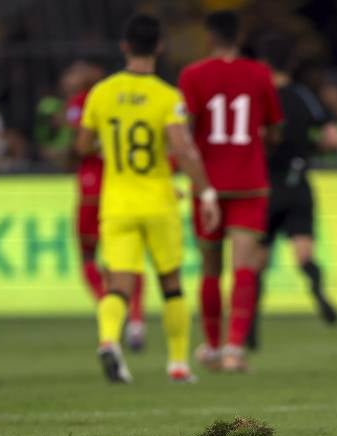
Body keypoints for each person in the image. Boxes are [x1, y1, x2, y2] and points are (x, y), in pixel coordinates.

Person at [76, 13, 220, 383]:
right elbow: (183, 150)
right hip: (157, 200)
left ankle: (109, 340)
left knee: (118, 286)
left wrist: (107, 143)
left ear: (125, 47)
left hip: (117, 203)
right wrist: (205, 192)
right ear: (159, 46)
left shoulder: (101, 93)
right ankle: (177, 364)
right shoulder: (166, 96)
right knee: (171, 284)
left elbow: (82, 145)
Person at [178, 10, 283, 373]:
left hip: (207, 186)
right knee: (244, 268)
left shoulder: (192, 75)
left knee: (210, 267)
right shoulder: (259, 73)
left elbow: (184, 133)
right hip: (250, 184)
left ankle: (210, 345)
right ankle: (234, 350)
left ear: (208, 37)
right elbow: (274, 130)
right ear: (239, 36)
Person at [249, 37, 337, 347]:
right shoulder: (305, 96)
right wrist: (308, 147)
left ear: (263, 65)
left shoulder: (258, 97)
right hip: (299, 180)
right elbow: (333, 139)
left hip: (266, 187)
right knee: (304, 252)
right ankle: (316, 290)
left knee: (258, 262)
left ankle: (250, 330)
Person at [64, 59, 148, 351]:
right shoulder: (125, 100)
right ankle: (136, 320)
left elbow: (79, 144)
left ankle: (110, 308)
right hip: (122, 185)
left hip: (92, 186)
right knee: (128, 260)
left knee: (88, 256)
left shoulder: (83, 101)